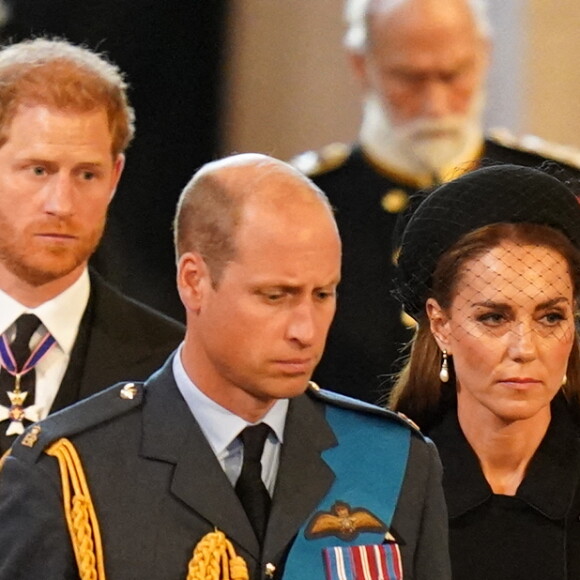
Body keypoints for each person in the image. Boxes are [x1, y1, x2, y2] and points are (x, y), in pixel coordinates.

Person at [0, 153, 450, 580]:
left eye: (322, 295)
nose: (305, 330)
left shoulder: (393, 460)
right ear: (194, 282)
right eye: (276, 296)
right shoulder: (68, 472)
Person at [292, 0, 580, 404]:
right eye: (409, 78)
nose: (435, 102)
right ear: (361, 65)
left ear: (485, 55)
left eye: (453, 74)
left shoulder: (557, 188)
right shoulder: (306, 202)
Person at [390, 163, 580, 579]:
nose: (524, 349)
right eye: (494, 318)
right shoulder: (382, 491)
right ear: (441, 326)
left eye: (550, 317)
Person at [0, 38, 184, 453]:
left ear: (115, 176)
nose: (61, 205)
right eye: (39, 170)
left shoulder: (174, 370)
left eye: (86, 175)